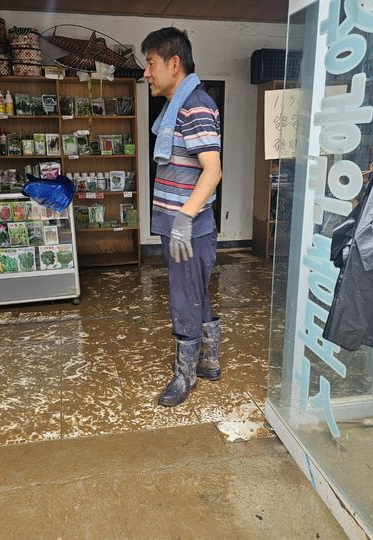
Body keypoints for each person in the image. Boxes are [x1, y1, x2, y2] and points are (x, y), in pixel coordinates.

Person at [141, 27, 223, 407]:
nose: (147, 73)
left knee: (183, 299)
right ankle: (209, 363)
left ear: (174, 64)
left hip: (187, 227)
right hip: (181, 225)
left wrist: (184, 219)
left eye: (151, 63)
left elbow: (212, 170)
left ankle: (184, 377)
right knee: (194, 294)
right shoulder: (178, 108)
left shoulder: (196, 106)